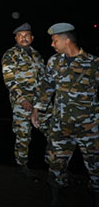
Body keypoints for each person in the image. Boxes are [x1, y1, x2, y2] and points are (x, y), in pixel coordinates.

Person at [31, 23, 98, 205]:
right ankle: (56, 199)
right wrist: (37, 108)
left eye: (55, 41)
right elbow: (47, 86)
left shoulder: (93, 63)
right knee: (55, 165)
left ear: (67, 40)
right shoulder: (54, 62)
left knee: (95, 167)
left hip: (89, 127)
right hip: (60, 126)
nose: (52, 44)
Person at [1, 22, 45, 181]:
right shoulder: (10, 55)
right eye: (20, 36)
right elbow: (10, 81)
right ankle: (22, 166)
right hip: (21, 102)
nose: (24, 38)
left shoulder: (37, 55)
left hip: (40, 102)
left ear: (32, 38)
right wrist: (22, 100)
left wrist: (42, 100)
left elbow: (44, 79)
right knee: (23, 134)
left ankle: (57, 167)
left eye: (26, 35)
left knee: (53, 131)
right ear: (16, 38)